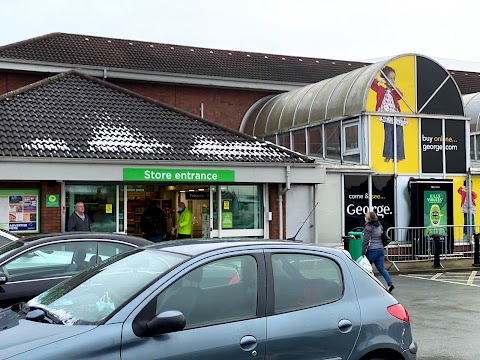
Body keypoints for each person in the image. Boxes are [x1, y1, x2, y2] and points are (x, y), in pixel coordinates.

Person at [370, 66, 407, 163]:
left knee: (398, 136)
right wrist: (377, 80)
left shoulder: (394, 92)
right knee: (388, 136)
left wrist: (394, 87)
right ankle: (388, 155)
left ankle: (398, 156)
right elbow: (371, 85)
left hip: (396, 116)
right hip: (387, 117)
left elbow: (400, 96)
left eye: (394, 78)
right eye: (390, 78)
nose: (392, 80)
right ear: (385, 79)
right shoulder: (381, 89)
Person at [362, 211, 394, 293]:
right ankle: (390, 284)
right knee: (381, 268)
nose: (365, 218)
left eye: (366, 216)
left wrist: (362, 252)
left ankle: (367, 286)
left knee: (365, 269)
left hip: (371, 250)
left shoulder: (368, 227)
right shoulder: (379, 225)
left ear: (368, 218)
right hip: (380, 250)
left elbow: (366, 240)